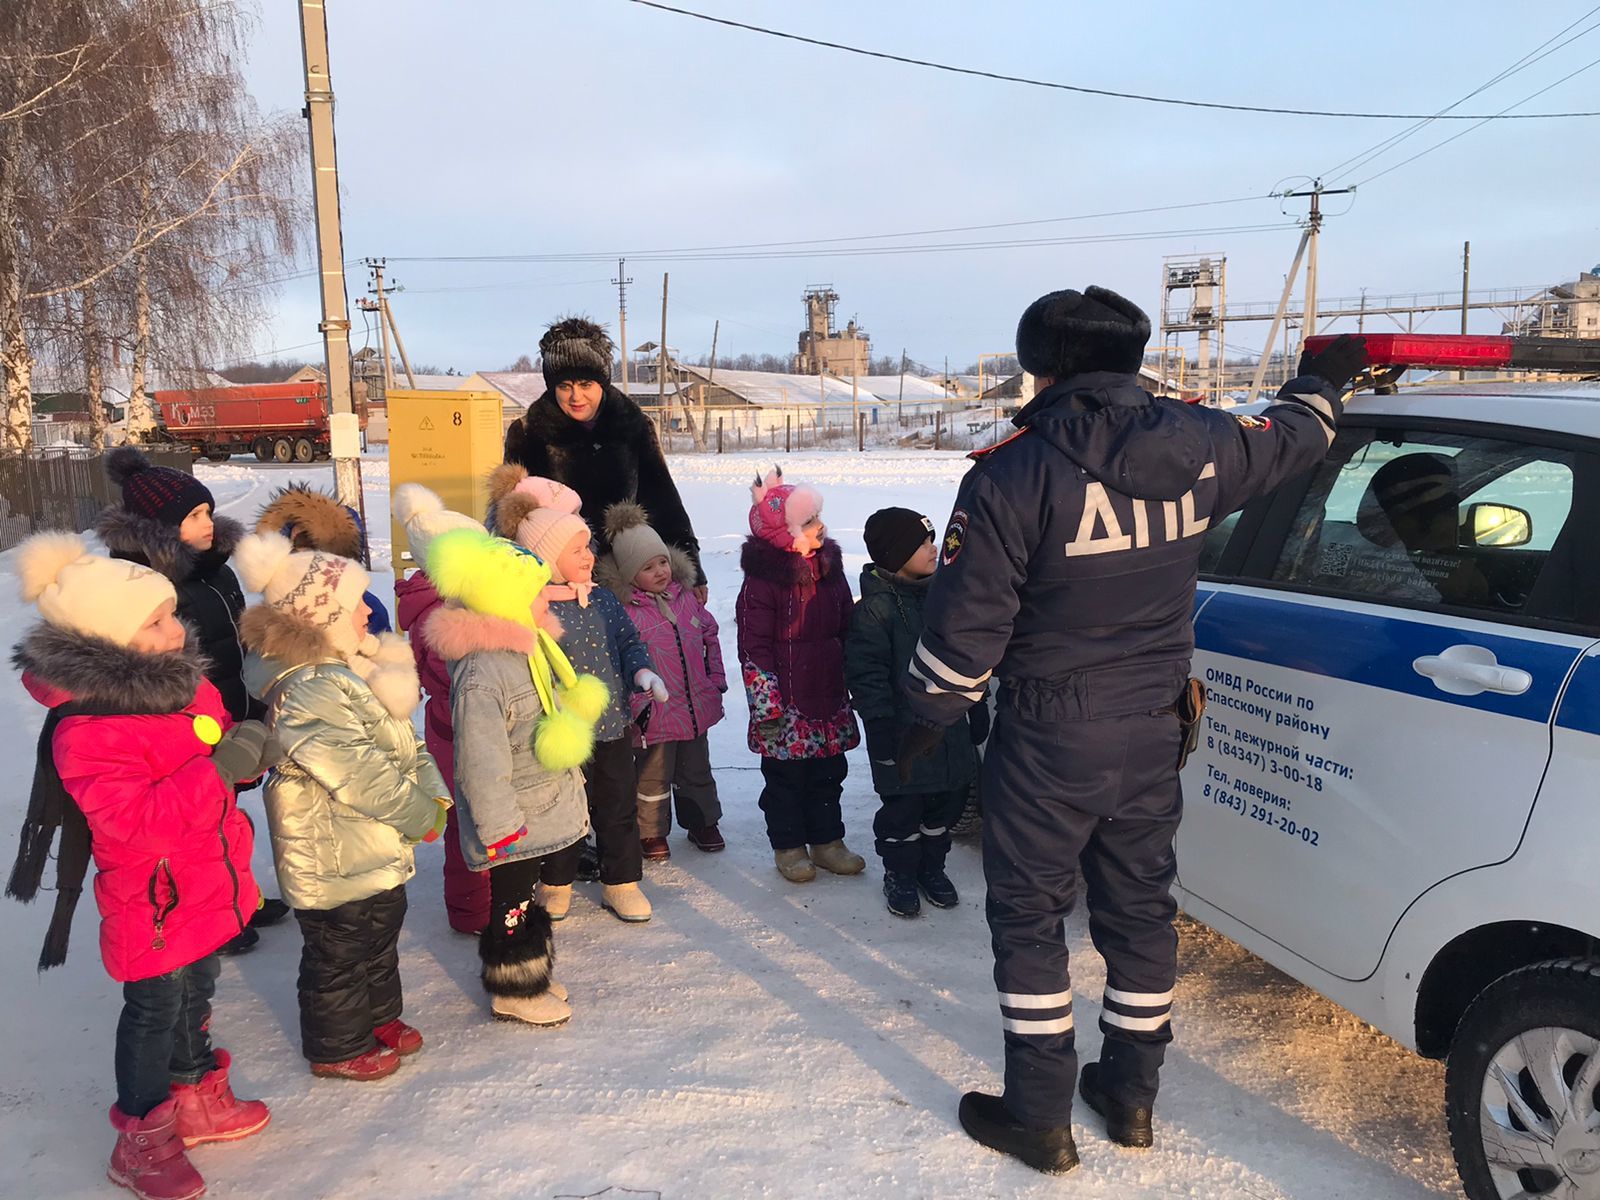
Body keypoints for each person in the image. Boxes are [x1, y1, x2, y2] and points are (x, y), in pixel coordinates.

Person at [897, 284, 1364, 1174]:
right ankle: (1131, 1093)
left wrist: (926, 718)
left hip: (1047, 735)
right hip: (1155, 725)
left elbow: (964, 635)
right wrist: (1321, 385)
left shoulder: (1011, 472)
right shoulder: (1205, 444)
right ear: (1133, 357)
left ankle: (1039, 1114)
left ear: (1043, 367)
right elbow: (1294, 440)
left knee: (1031, 917)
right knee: (1141, 909)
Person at [9, 533, 273, 1200]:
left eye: (169, 614)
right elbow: (134, 820)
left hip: (208, 879)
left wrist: (245, 755)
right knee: (155, 1011)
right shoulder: (89, 728)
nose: (176, 628)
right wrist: (219, 770)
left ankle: (196, 1098)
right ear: (110, 642)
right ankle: (143, 1141)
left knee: (197, 995)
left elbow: (211, 758)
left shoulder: (183, 689)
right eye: (155, 622)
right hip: (153, 900)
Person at [237, 531, 450, 1082]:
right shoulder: (309, 688)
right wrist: (417, 811)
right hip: (331, 849)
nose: (367, 611)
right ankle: (336, 1045)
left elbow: (406, 741)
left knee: (379, 933)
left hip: (370, 841)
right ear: (320, 616)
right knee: (339, 950)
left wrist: (434, 793)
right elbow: (357, 772)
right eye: (355, 602)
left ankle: (378, 1016)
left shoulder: (354, 670)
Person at [96, 446, 289, 952]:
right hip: (186, 721)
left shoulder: (215, 569)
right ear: (159, 527)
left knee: (230, 814)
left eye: (207, 510)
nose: (209, 522)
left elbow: (235, 634)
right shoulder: (149, 583)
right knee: (199, 820)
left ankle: (236, 898)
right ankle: (207, 915)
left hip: (234, 701)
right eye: (194, 516)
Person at [422, 526, 597, 1027]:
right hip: (512, 819)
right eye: (536, 593)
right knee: (513, 905)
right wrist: (499, 825)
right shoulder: (483, 673)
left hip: (535, 805)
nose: (547, 600)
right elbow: (481, 760)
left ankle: (532, 972)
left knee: (528, 898)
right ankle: (514, 988)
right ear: (506, 601)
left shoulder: (527, 648)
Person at [495, 484, 665, 923]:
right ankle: (556, 882)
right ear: (546, 559)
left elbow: (629, 641)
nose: (588, 555)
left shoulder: (603, 599)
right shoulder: (530, 610)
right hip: (559, 732)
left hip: (610, 725)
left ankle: (621, 882)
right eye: (576, 549)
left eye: (587, 545)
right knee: (561, 813)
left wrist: (641, 671)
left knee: (616, 806)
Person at [502, 316, 707, 601]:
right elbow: (510, 518)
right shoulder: (528, 433)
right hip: (558, 585)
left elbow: (662, 500)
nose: (576, 396)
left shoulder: (632, 425)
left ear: (601, 381)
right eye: (565, 386)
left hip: (629, 578)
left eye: (586, 384)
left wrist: (691, 566)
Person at [846, 507, 984, 918]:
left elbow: (965, 657)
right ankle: (900, 872)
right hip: (902, 734)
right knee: (903, 812)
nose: (934, 548)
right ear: (895, 553)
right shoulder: (874, 611)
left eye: (932, 539)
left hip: (948, 728)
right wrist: (881, 726)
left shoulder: (944, 598)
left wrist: (973, 707)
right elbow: (866, 677)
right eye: (923, 543)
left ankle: (931, 868)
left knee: (944, 808)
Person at [735, 467, 864, 883]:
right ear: (782, 532)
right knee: (786, 781)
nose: (820, 526)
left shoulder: (830, 569)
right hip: (785, 705)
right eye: (809, 522)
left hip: (827, 695)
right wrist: (765, 705)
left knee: (829, 774)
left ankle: (828, 842)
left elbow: (846, 625)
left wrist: (854, 675)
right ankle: (789, 846)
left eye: (818, 517)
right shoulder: (762, 584)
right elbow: (753, 650)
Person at [595, 501, 728, 861]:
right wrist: (635, 704)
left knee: (697, 770)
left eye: (662, 562)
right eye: (648, 567)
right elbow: (619, 660)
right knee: (653, 775)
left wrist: (716, 678)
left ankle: (702, 821)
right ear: (627, 574)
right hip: (654, 712)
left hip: (696, 704)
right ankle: (651, 831)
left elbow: (710, 636)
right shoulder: (624, 612)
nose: (659, 572)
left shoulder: (685, 599)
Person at [393, 483, 495, 935]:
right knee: (468, 824)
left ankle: (494, 898)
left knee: (487, 815)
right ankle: (471, 910)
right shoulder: (439, 616)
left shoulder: (455, 602)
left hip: (469, 725)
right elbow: (453, 674)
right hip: (456, 729)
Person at [253, 481, 393, 633]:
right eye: (296, 545)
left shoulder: (366, 609)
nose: (303, 557)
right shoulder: (279, 606)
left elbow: (382, 653)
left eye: (313, 547)